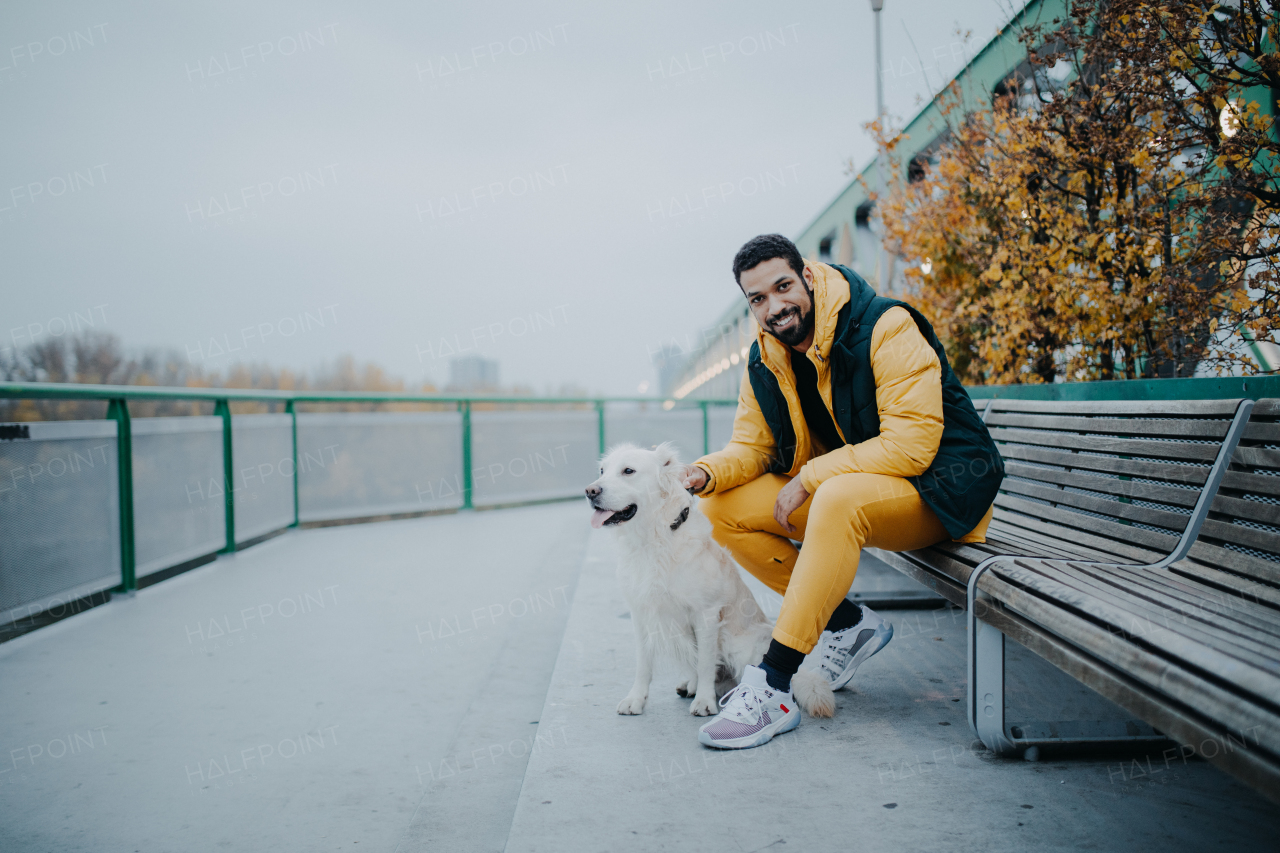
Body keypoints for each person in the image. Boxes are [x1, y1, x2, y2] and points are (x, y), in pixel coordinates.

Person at [682, 234, 1004, 750]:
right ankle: (848, 624)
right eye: (758, 299)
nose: (774, 306)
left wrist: (811, 476)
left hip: (942, 493)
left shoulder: (886, 326)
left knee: (834, 496)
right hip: (858, 492)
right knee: (722, 507)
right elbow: (753, 447)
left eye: (783, 287)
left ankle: (773, 686)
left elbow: (913, 445)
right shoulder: (766, 358)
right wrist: (702, 473)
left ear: (807, 277)